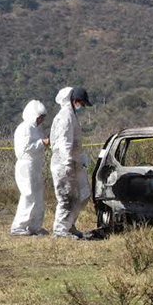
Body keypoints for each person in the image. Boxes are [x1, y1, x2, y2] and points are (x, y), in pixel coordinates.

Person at [50, 87, 93, 239]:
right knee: (66, 197)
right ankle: (60, 230)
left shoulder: (71, 115)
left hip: (73, 163)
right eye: (81, 103)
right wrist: (67, 163)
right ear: (75, 101)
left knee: (82, 195)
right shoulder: (65, 117)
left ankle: (69, 225)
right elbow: (64, 142)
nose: (82, 107)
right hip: (64, 164)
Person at [10, 100, 50, 236]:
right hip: (26, 165)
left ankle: (35, 226)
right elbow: (25, 148)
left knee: (38, 196)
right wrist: (42, 143)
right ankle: (18, 226)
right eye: (39, 118)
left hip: (35, 165)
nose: (41, 120)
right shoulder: (25, 128)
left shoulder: (35, 129)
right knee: (28, 195)